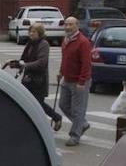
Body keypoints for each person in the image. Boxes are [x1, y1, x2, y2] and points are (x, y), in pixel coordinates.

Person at [8, 24, 62, 131]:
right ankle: (28, 124)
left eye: (34, 32)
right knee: (26, 101)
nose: (31, 34)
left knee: (38, 104)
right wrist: (14, 63)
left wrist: (25, 65)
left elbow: (41, 63)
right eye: (30, 31)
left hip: (39, 80)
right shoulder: (30, 44)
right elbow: (23, 60)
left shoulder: (44, 44)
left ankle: (56, 118)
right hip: (28, 78)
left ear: (40, 33)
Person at [58, 16, 92, 147]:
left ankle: (75, 135)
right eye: (66, 24)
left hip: (78, 80)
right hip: (67, 78)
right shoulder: (66, 40)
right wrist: (61, 72)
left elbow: (86, 64)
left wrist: (82, 81)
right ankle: (82, 124)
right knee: (63, 104)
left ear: (77, 25)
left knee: (78, 109)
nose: (67, 27)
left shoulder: (83, 42)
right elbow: (65, 58)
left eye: (70, 24)